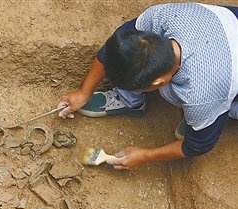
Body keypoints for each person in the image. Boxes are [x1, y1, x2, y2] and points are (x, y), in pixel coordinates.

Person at [58, 3, 238, 170]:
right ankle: (131, 104)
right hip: (228, 26)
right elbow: (117, 46)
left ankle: (204, 121)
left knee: (208, 112)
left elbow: (197, 145)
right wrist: (84, 92)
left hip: (222, 81)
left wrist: (145, 156)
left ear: (158, 83)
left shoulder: (202, 94)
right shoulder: (161, 17)